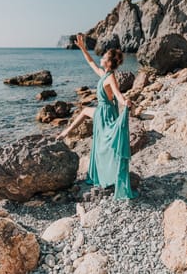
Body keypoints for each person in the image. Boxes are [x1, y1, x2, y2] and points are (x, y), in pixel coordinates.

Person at [57, 33, 136, 200]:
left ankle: (67, 132)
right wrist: (83, 48)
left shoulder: (111, 78)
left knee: (105, 144)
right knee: (88, 116)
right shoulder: (104, 74)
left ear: (109, 62)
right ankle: (67, 131)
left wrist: (125, 102)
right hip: (102, 110)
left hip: (106, 114)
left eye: (104, 56)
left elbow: (118, 94)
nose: (101, 57)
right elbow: (91, 62)